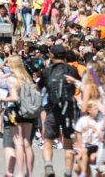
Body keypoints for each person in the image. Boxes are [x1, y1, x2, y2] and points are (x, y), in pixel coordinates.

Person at [39, 44, 79, 177]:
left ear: (52, 55)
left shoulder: (47, 71)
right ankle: (68, 172)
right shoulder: (72, 70)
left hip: (53, 109)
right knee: (68, 143)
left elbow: (38, 88)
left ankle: (48, 165)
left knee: (48, 139)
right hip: (69, 111)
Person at [4, 55, 36, 177]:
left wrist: (1, 98)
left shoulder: (12, 79)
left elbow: (14, 98)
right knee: (27, 142)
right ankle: (28, 173)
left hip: (15, 111)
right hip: (29, 111)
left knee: (18, 143)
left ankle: (20, 172)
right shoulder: (27, 78)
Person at [73, 100, 101, 177]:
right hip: (84, 146)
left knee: (87, 154)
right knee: (76, 167)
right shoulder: (83, 120)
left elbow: (101, 140)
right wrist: (79, 147)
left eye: (98, 109)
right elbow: (78, 134)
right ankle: (85, 173)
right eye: (95, 109)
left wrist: (98, 152)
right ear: (89, 110)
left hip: (94, 146)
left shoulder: (100, 122)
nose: (97, 111)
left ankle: (83, 173)